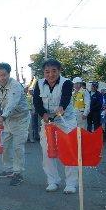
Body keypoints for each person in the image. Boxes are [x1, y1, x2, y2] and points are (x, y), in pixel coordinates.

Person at [33, 58, 78, 194]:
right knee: (48, 150)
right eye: (47, 71)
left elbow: (65, 98)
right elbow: (37, 101)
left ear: (59, 71)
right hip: (48, 121)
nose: (50, 74)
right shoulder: (39, 83)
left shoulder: (67, 83)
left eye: (54, 71)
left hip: (66, 120)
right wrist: (43, 114)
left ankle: (71, 183)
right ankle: (53, 181)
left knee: (69, 149)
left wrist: (61, 107)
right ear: (43, 72)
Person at [0, 63, 30, 186]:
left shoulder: (15, 86)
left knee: (18, 147)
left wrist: (2, 116)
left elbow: (12, 103)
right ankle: (8, 169)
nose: (1, 78)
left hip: (20, 119)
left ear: (9, 74)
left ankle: (18, 173)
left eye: (4, 75)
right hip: (6, 120)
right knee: (5, 145)